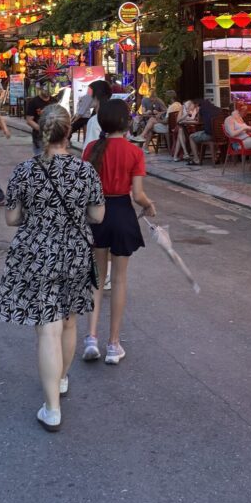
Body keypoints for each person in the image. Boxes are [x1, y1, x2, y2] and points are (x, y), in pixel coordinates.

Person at [0, 105, 104, 431]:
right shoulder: (85, 171)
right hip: (74, 252)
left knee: (47, 328)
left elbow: (12, 218)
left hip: (37, 252)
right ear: (68, 132)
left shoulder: (26, 170)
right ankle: (59, 380)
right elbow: (98, 216)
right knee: (69, 323)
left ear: (40, 131)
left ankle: (52, 408)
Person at [82, 99, 156, 365]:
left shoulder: (91, 148)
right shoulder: (134, 152)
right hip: (122, 212)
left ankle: (91, 337)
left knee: (97, 278)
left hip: (96, 214)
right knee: (120, 279)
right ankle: (113, 344)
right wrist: (149, 206)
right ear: (126, 123)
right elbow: (137, 195)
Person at [187, 97, 223, 165]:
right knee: (211, 132)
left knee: (191, 137)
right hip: (220, 135)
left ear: (197, 104)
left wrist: (197, 111)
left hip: (210, 135)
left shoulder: (202, 109)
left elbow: (198, 121)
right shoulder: (217, 109)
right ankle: (215, 158)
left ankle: (196, 160)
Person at [82, 80, 113, 149]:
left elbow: (88, 149)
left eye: (88, 94)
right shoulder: (113, 116)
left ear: (97, 96)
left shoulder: (95, 120)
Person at [25, 82, 53, 157]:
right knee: (40, 160)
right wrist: (42, 129)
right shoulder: (34, 102)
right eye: (45, 89)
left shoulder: (54, 100)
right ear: (40, 88)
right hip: (39, 136)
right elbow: (29, 120)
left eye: (49, 89)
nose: (47, 91)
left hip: (53, 136)